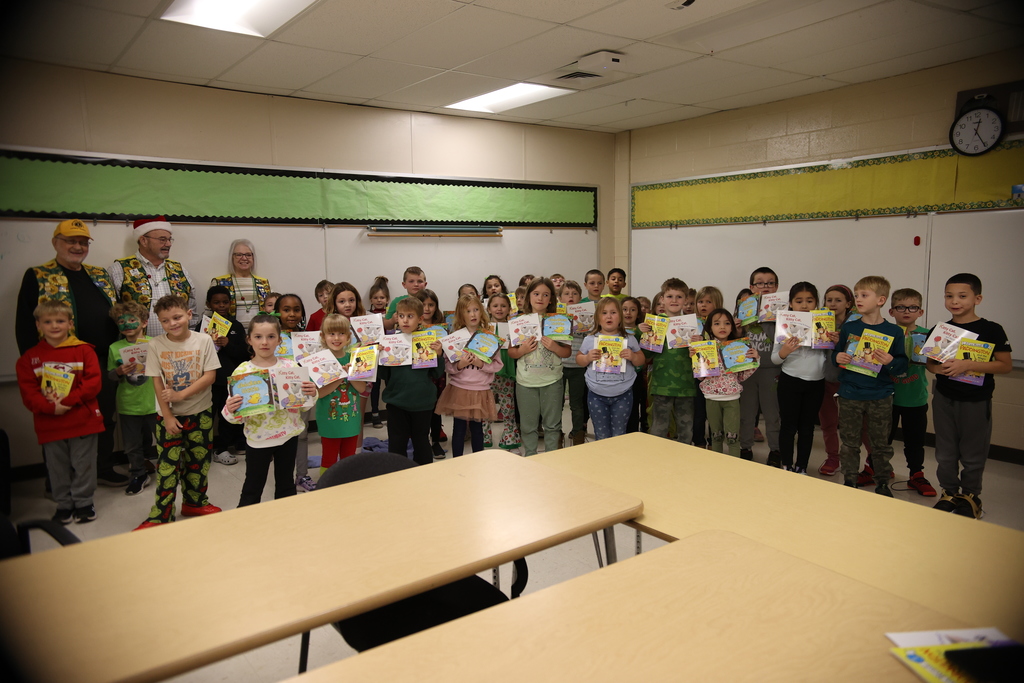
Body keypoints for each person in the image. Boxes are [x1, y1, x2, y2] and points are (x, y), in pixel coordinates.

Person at [15, 218, 125, 487]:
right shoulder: (38, 275)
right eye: (71, 241)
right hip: (57, 363)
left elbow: (118, 313)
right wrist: (34, 366)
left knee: (103, 415)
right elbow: (25, 324)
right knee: (60, 422)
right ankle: (58, 481)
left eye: (83, 242)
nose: (77, 246)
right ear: (56, 242)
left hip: (100, 359)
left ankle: (102, 467)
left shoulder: (100, 275)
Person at [926, 273, 1011, 519]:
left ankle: (971, 496)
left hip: (975, 400)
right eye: (949, 296)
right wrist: (937, 368)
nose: (955, 301)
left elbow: (1004, 365)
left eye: (962, 296)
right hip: (944, 398)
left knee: (973, 453)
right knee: (945, 451)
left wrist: (968, 365)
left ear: (977, 298)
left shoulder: (991, 330)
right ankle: (949, 492)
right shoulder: (940, 330)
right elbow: (931, 364)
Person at [135, 295, 222, 529]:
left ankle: (194, 502)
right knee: (167, 467)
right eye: (165, 321)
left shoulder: (203, 340)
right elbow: (156, 382)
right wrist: (168, 415)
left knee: (199, 462)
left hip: (200, 412)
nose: (172, 323)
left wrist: (180, 396)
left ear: (188, 315)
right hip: (168, 417)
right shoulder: (154, 345)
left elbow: (210, 376)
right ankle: (161, 515)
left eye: (177, 317)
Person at [17, 300, 104, 524]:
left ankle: (84, 502)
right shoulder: (28, 358)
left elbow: (93, 383)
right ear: (38, 325)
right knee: (57, 468)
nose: (54, 325)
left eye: (60, 321)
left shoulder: (84, 350)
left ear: (70, 324)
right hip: (50, 424)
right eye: (48, 321)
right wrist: (50, 407)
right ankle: (64, 504)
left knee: (84, 464)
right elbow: (29, 393)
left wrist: (68, 401)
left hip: (83, 420)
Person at [223, 313, 317, 507]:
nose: (264, 342)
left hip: (288, 435)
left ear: (279, 339)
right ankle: (246, 526)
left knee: (286, 486)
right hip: (259, 438)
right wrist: (230, 410)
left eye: (271, 337)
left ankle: (285, 524)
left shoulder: (290, 366)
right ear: (249, 339)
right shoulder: (242, 372)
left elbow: (305, 404)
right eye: (258, 337)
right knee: (253, 487)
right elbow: (235, 415)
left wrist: (311, 393)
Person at [832, 276, 908, 497]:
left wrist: (890, 362)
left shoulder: (894, 332)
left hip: (880, 395)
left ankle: (882, 482)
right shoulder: (850, 327)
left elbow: (902, 363)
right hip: (850, 393)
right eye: (856, 296)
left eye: (864, 295)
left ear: (881, 300)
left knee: (880, 443)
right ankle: (849, 480)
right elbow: (835, 354)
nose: (858, 300)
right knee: (849, 442)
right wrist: (839, 358)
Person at [772, 283, 836, 473]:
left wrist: (834, 343)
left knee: (807, 428)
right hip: (790, 380)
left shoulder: (824, 324)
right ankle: (786, 465)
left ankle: (802, 467)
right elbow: (775, 358)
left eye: (810, 301)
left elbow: (831, 359)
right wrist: (785, 350)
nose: (804, 305)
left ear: (816, 303)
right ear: (791, 304)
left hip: (815, 383)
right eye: (799, 301)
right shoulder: (784, 325)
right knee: (788, 426)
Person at [508, 278, 572, 456]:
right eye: (536, 294)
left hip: (552, 381)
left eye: (545, 295)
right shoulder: (518, 321)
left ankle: (552, 460)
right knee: (528, 426)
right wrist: (522, 350)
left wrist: (555, 347)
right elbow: (511, 352)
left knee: (552, 426)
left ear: (551, 299)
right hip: (526, 382)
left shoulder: (559, 321)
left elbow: (566, 352)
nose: (540, 298)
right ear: (528, 297)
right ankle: (530, 457)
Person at [378, 296, 444, 465]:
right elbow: (384, 375)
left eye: (410, 316)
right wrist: (379, 356)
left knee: (421, 441)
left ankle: (422, 477)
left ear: (420, 319)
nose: (405, 320)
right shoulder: (391, 342)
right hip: (396, 401)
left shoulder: (427, 340)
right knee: (397, 443)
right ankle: (397, 477)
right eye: (401, 316)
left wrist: (439, 355)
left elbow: (437, 373)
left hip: (422, 402)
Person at [436, 295, 502, 456]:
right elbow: (447, 366)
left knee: (477, 430)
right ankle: (457, 462)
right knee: (458, 430)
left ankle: (478, 462)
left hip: (480, 390)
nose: (473, 314)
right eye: (468, 311)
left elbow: (498, 365)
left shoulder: (489, 338)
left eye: (476, 310)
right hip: (460, 389)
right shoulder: (454, 338)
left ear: (482, 312)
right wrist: (460, 365)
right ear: (461, 314)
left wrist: (482, 364)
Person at [110, 216, 197, 337]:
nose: (168, 244)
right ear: (143, 240)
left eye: (169, 239)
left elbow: (191, 307)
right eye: (162, 239)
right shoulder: (120, 269)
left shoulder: (179, 269)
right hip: (136, 350)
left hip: (176, 348)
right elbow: (111, 311)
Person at [886, 288, 936, 497]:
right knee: (881, 437)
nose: (907, 311)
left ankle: (916, 474)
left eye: (912, 307)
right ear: (891, 311)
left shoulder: (927, 335)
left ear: (920, 311)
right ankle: (875, 467)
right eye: (901, 307)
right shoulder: (884, 333)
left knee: (914, 440)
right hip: (886, 395)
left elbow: (935, 364)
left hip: (915, 398)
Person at [107, 300, 157, 495]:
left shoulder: (155, 343)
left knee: (162, 440)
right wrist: (119, 371)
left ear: (144, 322)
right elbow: (110, 375)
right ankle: (138, 473)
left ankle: (170, 470)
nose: (127, 324)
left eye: (132, 320)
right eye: (121, 321)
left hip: (154, 401)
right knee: (131, 444)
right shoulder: (114, 347)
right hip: (128, 404)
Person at [694, 308, 758, 457]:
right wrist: (696, 359)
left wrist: (754, 359)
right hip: (711, 398)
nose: (722, 327)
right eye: (717, 323)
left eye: (727, 323)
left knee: (733, 437)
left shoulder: (738, 347)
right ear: (710, 327)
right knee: (715, 436)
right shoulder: (705, 347)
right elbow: (700, 378)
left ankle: (734, 469)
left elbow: (741, 376)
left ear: (732, 327)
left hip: (732, 399)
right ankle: (717, 469)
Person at [577, 297, 644, 440]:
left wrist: (632, 356)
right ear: (597, 318)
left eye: (613, 312)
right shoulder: (590, 339)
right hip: (596, 394)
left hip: (623, 394)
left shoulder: (629, 339)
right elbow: (579, 360)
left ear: (620, 316)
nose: (609, 316)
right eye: (604, 313)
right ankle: (603, 461)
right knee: (601, 435)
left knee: (619, 434)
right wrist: (587, 358)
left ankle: (617, 461)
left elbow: (641, 360)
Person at [641, 278, 696, 445]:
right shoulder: (655, 324)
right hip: (661, 384)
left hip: (686, 386)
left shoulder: (694, 325)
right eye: (670, 296)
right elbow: (645, 355)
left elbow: (702, 358)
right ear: (662, 299)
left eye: (679, 297)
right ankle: (657, 462)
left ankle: (683, 462)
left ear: (686, 300)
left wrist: (698, 344)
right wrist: (642, 333)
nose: (674, 300)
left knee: (685, 428)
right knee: (659, 426)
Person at [313, 314, 367, 473]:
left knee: (349, 459)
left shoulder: (355, 358)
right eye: (331, 334)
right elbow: (320, 393)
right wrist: (340, 376)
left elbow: (362, 388)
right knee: (328, 459)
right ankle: (327, 488)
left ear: (349, 336)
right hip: (329, 420)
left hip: (351, 419)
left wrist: (351, 374)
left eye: (341, 333)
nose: (336, 338)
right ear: (323, 336)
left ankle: (348, 487)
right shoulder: (319, 361)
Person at [274, 293, 316, 491]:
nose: (292, 314)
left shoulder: (306, 337)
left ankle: (302, 476)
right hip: (276, 395)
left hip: (301, 393)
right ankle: (283, 478)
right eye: (286, 309)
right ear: (277, 312)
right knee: (280, 436)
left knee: (302, 434)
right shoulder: (271, 336)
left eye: (296, 310)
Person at [740, 267, 782, 464]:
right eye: (760, 283)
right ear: (751, 287)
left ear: (776, 287)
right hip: (747, 370)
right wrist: (736, 325)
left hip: (771, 369)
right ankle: (745, 447)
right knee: (747, 413)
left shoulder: (784, 311)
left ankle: (775, 450)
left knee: (772, 414)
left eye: (770, 283)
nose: (765, 287)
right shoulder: (744, 310)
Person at [205, 285, 249, 465]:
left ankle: (226, 446)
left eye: (225, 302)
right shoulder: (203, 326)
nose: (221, 306)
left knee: (230, 415)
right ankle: (206, 449)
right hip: (210, 380)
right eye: (216, 302)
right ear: (209, 304)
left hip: (231, 380)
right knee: (209, 416)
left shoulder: (236, 326)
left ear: (230, 303)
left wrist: (228, 344)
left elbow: (244, 354)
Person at [818, 284, 855, 476]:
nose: (832, 304)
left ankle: (872, 460)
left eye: (838, 300)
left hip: (850, 382)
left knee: (857, 424)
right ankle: (833, 457)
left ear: (849, 304)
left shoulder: (856, 325)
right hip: (826, 379)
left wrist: (839, 342)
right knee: (828, 422)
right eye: (829, 300)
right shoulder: (820, 321)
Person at [483, 292, 521, 453]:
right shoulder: (484, 328)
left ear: (509, 309)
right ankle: (484, 439)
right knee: (486, 408)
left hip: (507, 372)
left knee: (508, 408)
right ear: (489, 309)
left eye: (503, 306)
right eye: (495, 306)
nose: (499, 309)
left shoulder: (514, 326)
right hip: (487, 374)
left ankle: (510, 439)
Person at [208, 239, 272, 329]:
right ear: (232, 257)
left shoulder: (263, 283)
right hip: (229, 338)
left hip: (259, 336)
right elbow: (208, 314)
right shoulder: (219, 283)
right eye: (239, 254)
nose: (244, 258)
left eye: (248, 255)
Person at [415, 289, 448, 458]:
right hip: (418, 375)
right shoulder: (411, 327)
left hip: (436, 374)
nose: (427, 308)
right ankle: (420, 442)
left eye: (431, 305)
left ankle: (435, 441)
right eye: (423, 305)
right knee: (420, 410)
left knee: (435, 407)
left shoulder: (442, 327)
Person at [559, 280, 589, 447]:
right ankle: (557, 433)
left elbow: (589, 339)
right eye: (566, 294)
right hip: (560, 366)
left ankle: (578, 433)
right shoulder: (555, 316)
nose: (570, 296)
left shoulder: (586, 316)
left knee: (577, 404)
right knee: (558, 404)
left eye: (574, 294)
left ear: (580, 297)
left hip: (579, 367)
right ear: (560, 297)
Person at [366, 276, 390, 428]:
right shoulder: (366, 315)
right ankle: (375, 413)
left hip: (389, 355)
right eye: (376, 297)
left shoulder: (392, 315)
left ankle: (391, 411)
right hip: (373, 355)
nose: (379, 300)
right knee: (374, 386)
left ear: (387, 299)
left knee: (390, 383)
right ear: (371, 299)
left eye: (382, 297)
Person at [622, 296, 648, 434]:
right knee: (622, 408)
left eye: (632, 310)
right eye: (624, 309)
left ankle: (633, 434)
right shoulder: (614, 330)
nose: (628, 313)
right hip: (619, 376)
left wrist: (639, 331)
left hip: (636, 375)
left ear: (638, 313)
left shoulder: (641, 330)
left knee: (634, 408)